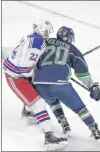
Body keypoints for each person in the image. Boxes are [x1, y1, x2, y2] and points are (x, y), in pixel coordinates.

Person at [3, 20, 68, 151]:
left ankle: (27, 112)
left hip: (17, 73)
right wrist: (41, 73)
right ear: (39, 29)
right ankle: (49, 138)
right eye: (45, 31)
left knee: (37, 92)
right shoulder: (37, 42)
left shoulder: (33, 37)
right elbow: (24, 69)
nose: (47, 34)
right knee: (38, 104)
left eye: (48, 31)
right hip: (15, 77)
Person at [32, 26, 100, 140]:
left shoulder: (45, 42)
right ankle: (94, 129)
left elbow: (33, 60)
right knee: (80, 108)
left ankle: (62, 121)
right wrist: (92, 86)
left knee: (52, 99)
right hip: (60, 85)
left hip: (39, 84)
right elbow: (82, 73)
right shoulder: (72, 49)